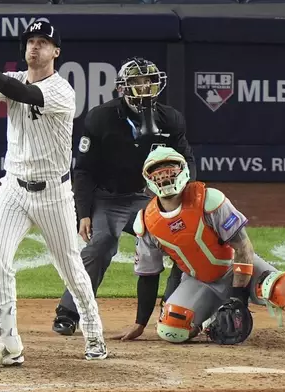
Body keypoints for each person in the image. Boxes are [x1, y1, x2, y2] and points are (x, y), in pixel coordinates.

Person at [0, 21, 108, 367]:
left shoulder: (61, 91)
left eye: (43, 42)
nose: (35, 47)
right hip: (13, 188)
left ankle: (94, 333)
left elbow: (25, 94)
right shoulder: (13, 79)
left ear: (56, 52)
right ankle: (8, 345)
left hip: (53, 193)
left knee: (70, 265)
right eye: (31, 41)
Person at [114, 146, 285, 350]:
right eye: (158, 174)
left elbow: (243, 246)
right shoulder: (146, 221)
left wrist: (238, 298)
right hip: (200, 281)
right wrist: (139, 323)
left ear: (182, 171)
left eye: (169, 171)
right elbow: (148, 275)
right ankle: (211, 321)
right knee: (171, 330)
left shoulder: (209, 200)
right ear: (149, 180)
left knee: (276, 285)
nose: (164, 178)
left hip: (235, 267)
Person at [51, 57, 194, 336]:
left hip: (146, 197)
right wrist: (84, 213)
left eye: (149, 81)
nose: (144, 87)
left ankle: (175, 308)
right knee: (100, 245)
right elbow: (83, 170)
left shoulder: (171, 118)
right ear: (122, 88)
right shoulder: (100, 117)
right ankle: (69, 312)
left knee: (182, 243)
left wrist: (185, 204)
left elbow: (186, 160)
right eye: (137, 82)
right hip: (106, 197)